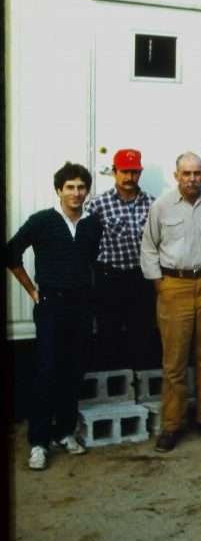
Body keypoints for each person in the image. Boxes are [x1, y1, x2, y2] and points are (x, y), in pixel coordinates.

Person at [7, 162, 101, 470]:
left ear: (87, 191)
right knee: (47, 371)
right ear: (59, 190)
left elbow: (89, 263)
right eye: (70, 187)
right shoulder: (42, 221)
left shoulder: (92, 224)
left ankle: (65, 432)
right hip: (51, 305)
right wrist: (32, 290)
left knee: (73, 371)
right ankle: (38, 442)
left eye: (81, 187)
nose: (76, 193)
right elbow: (11, 253)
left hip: (81, 306)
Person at [141, 152, 201, 452]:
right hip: (175, 287)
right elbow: (149, 247)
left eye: (197, 173)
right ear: (176, 175)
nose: (192, 179)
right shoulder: (162, 206)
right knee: (175, 362)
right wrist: (160, 283)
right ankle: (172, 425)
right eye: (187, 173)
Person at [85, 149, 157, 370]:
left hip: (141, 278)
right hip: (110, 278)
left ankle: (140, 385)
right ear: (115, 172)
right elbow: (87, 245)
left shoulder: (154, 204)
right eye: (124, 172)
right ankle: (114, 388)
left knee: (142, 332)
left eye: (134, 172)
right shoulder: (97, 205)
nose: (129, 178)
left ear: (140, 173)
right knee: (109, 332)